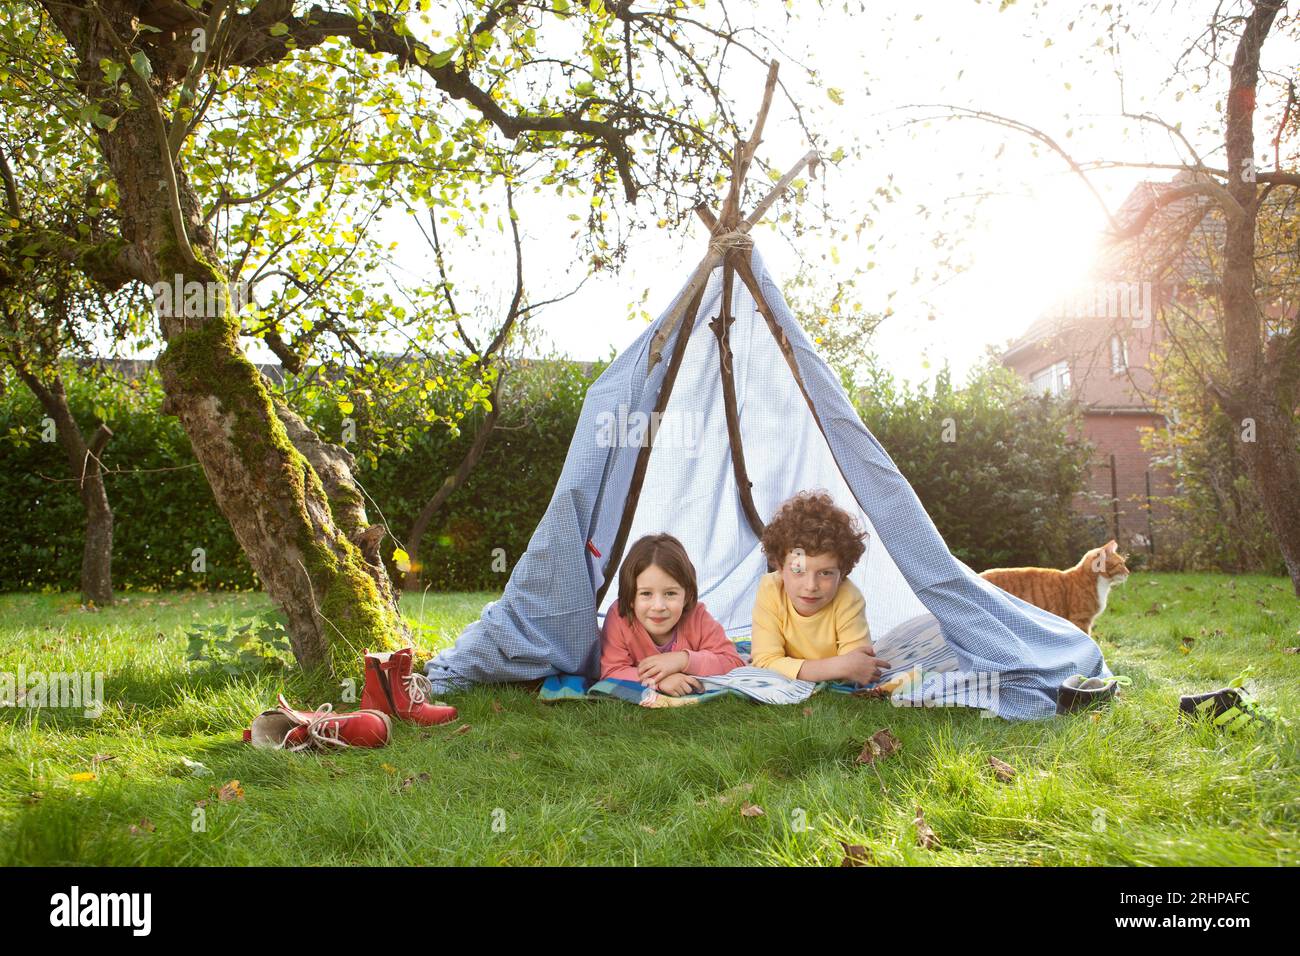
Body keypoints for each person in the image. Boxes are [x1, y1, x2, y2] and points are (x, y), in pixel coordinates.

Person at [750, 490, 890, 685]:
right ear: (780, 567)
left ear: (843, 572)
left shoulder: (849, 597)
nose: (811, 586)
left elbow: (857, 666)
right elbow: (764, 663)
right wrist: (839, 667)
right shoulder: (770, 588)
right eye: (798, 571)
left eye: (825, 573)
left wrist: (847, 667)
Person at [600, 533, 744, 696]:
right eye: (646, 593)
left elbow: (733, 662)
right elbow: (611, 671)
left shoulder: (697, 617)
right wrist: (658, 681)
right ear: (630, 597)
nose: (659, 606)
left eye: (670, 593)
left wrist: (682, 660)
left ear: (687, 595)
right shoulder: (620, 617)